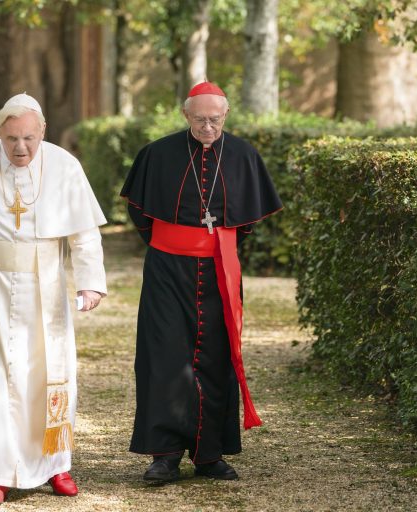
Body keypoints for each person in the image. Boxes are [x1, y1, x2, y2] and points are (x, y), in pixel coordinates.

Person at [0, 93, 107, 505]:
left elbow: (84, 234)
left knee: (50, 373)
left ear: (42, 131)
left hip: (47, 284)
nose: (20, 148)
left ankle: (55, 464)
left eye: (28, 138)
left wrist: (90, 282)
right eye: (11, 139)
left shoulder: (64, 165)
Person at [121, 81, 282, 482]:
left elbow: (245, 224)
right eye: (199, 119)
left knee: (216, 357)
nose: (207, 127)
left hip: (218, 270)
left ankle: (209, 454)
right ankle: (166, 454)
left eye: (214, 119)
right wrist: (175, 245)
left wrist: (214, 244)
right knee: (164, 358)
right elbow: (140, 215)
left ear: (225, 115)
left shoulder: (243, 155)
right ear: (185, 116)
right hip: (166, 270)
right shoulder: (157, 154)